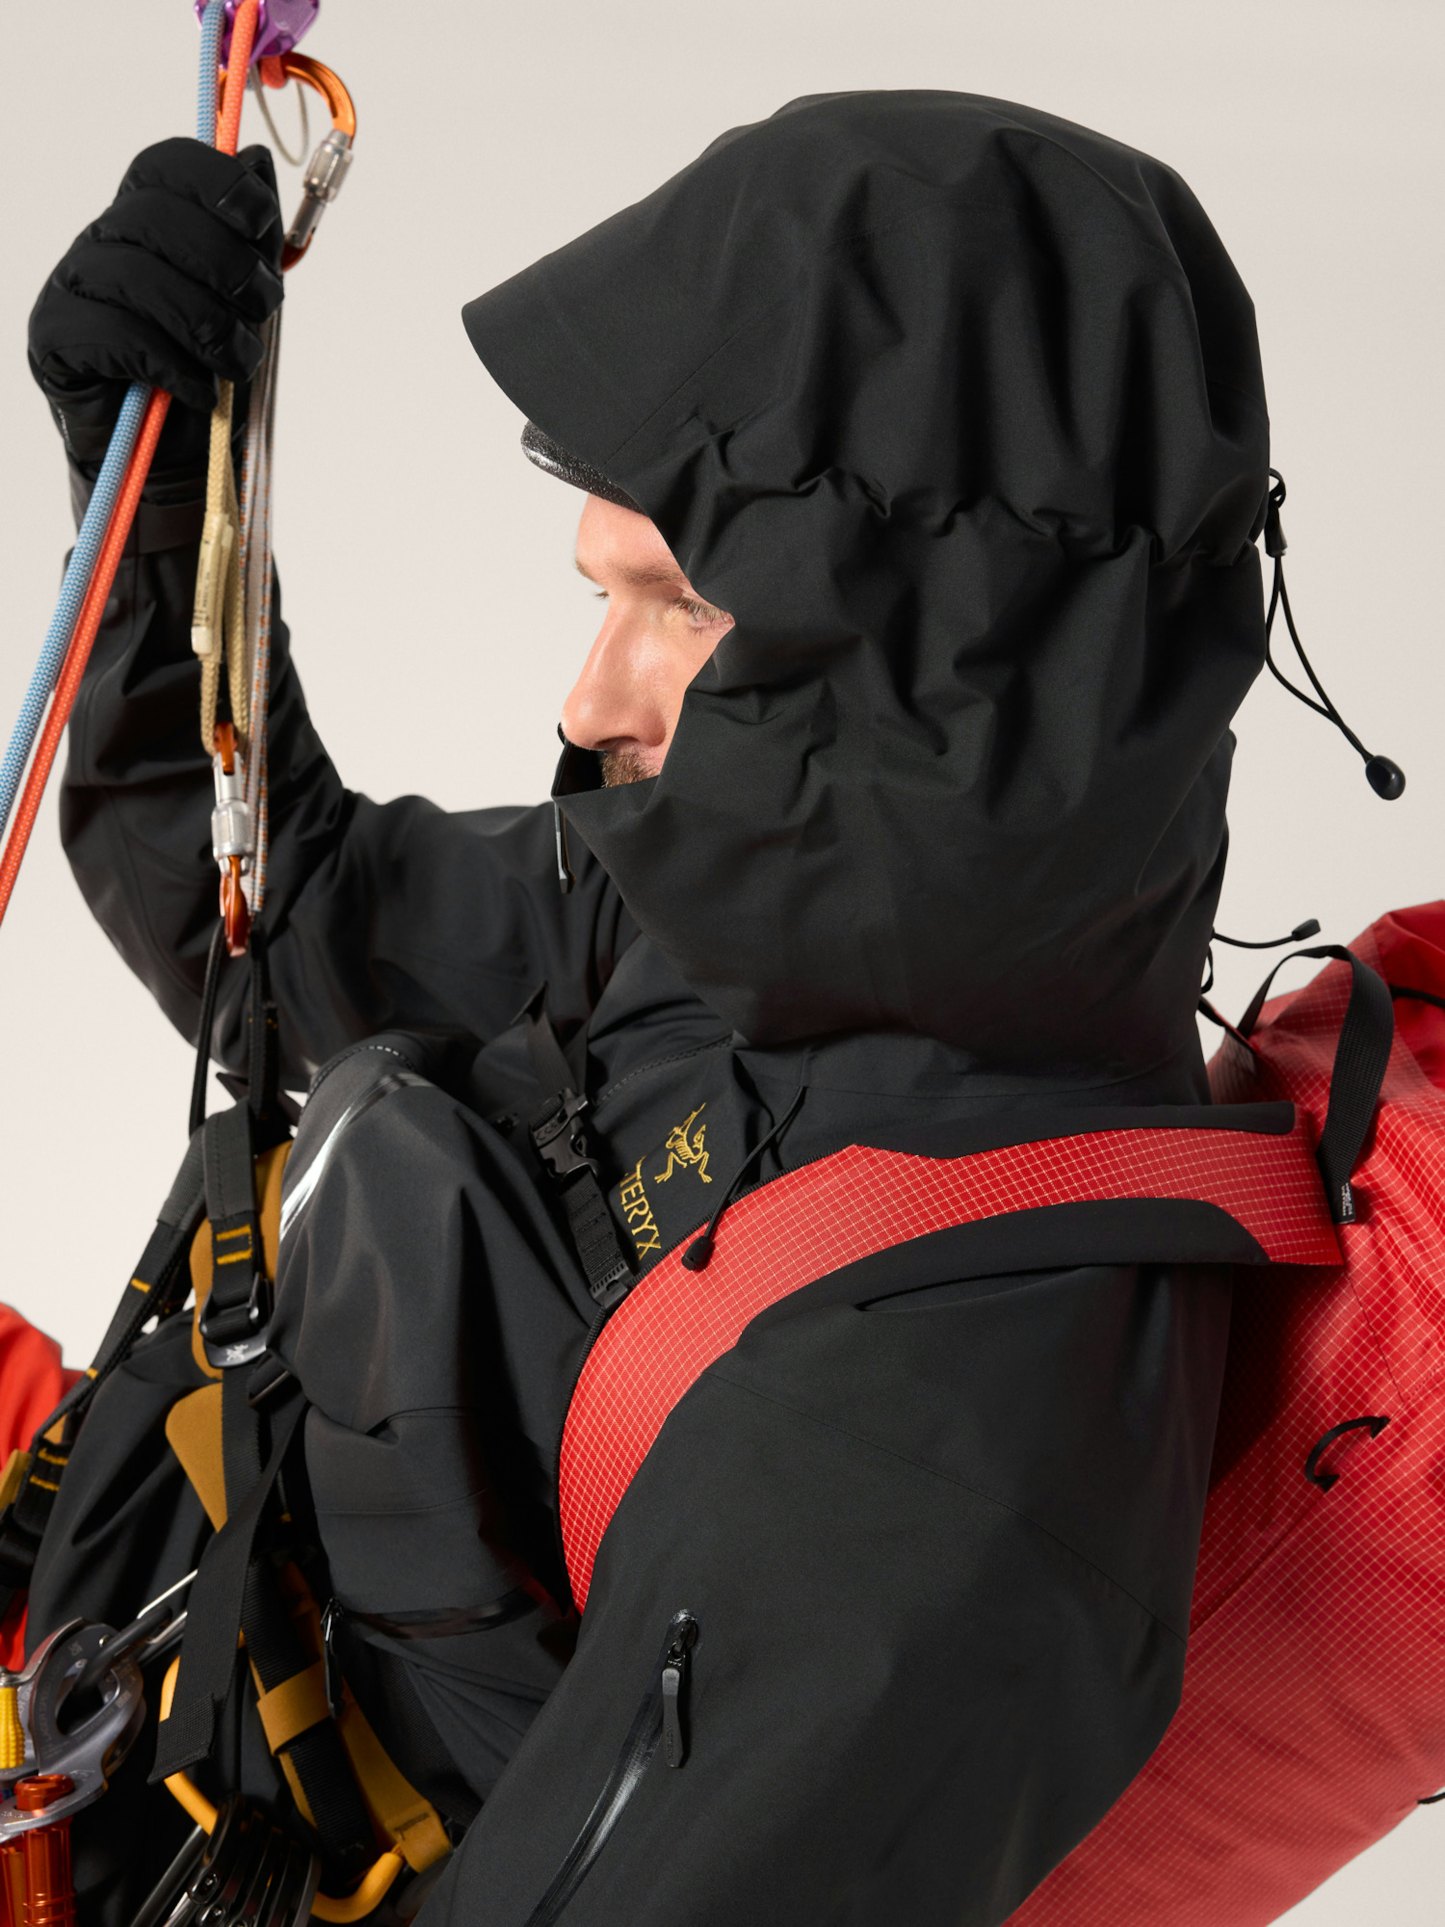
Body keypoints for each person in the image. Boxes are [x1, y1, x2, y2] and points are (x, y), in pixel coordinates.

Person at [22, 89, 1269, 1924]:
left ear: (945, 648)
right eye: (605, 591)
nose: (589, 698)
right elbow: (283, 946)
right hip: (118, 1635)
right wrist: (159, 487)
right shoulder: (758, 912)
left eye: (676, 605)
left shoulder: (928, 1470)